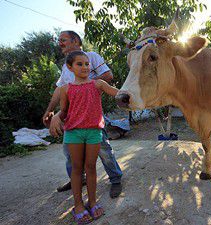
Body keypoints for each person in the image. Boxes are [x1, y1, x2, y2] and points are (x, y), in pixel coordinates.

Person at [42, 31, 122, 198]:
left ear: (75, 40)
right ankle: (77, 179)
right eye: (80, 65)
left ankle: (115, 179)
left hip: (92, 118)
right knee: (70, 154)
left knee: (104, 151)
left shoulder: (91, 56)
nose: (60, 43)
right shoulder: (66, 66)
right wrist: (50, 110)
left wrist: (87, 86)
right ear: (71, 66)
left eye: (63, 40)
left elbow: (108, 76)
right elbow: (60, 89)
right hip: (73, 121)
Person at [58, 50, 119, 223]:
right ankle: (78, 204)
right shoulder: (65, 89)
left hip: (94, 132)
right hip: (73, 133)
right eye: (79, 64)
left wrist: (135, 90)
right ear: (70, 67)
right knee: (77, 168)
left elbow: (118, 92)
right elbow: (63, 112)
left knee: (91, 167)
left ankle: (92, 201)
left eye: (87, 64)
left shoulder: (98, 84)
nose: (85, 67)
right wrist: (55, 117)